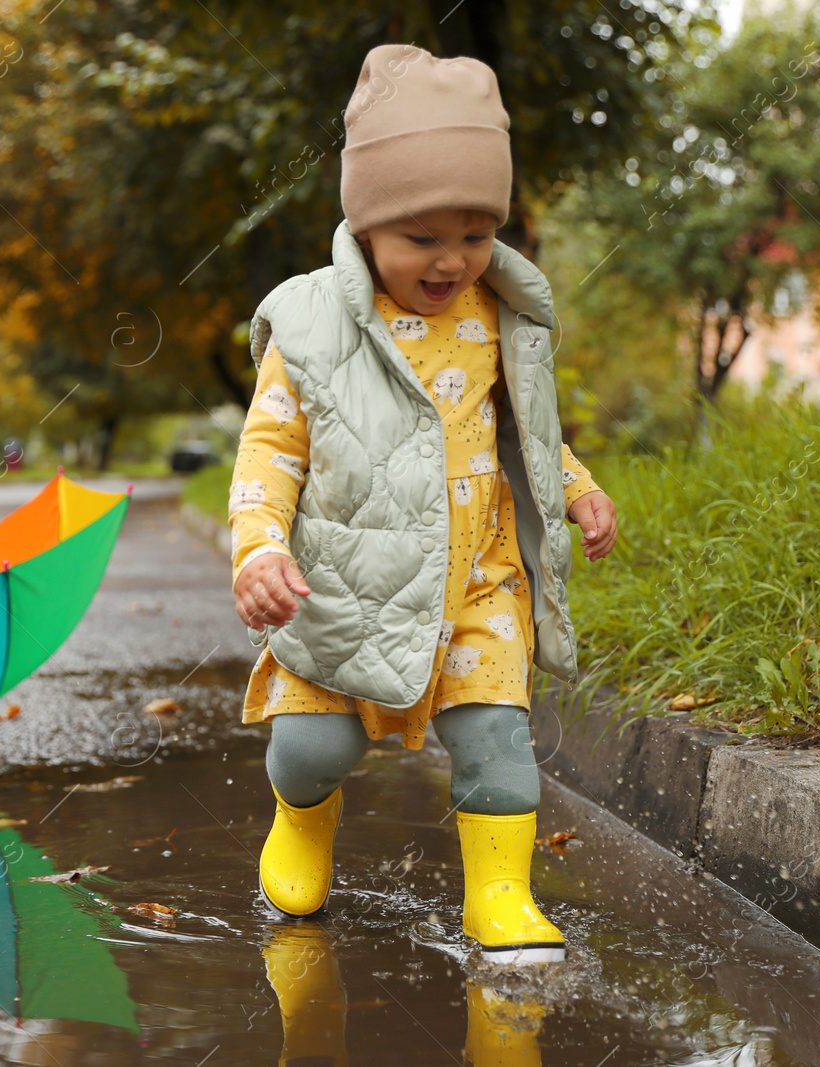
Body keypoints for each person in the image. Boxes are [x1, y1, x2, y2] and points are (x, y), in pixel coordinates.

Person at [228, 43, 618, 966]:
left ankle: (500, 892)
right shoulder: (313, 321)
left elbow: (525, 428)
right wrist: (257, 547)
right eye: (424, 238)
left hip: (474, 579)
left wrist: (578, 488)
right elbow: (271, 448)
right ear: (365, 225)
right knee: (315, 748)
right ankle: (300, 819)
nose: (453, 260)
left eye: (476, 234)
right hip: (342, 578)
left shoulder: (495, 315)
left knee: (495, 737)